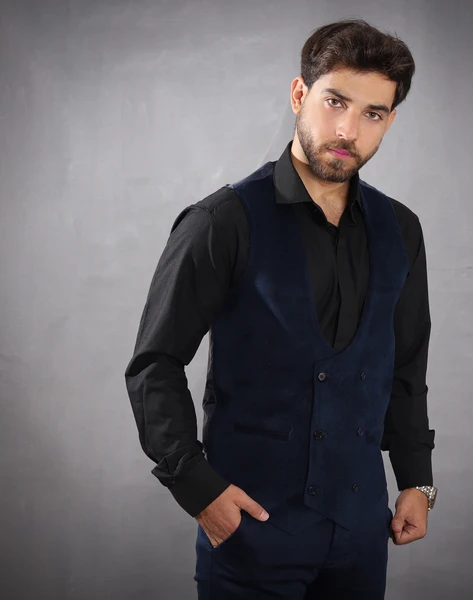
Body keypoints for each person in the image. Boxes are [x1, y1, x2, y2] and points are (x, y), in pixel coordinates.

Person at [124, 17, 437, 599]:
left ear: (390, 121)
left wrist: (417, 480)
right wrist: (198, 489)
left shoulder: (401, 229)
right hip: (252, 530)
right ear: (299, 94)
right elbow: (154, 365)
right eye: (335, 101)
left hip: (362, 533)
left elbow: (405, 365)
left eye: (372, 113)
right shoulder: (222, 221)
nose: (347, 130)